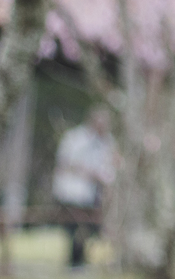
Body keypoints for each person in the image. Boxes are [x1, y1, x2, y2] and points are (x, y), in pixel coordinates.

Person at [52, 108, 115, 268]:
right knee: (77, 228)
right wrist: (89, 173)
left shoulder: (106, 141)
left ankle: (82, 260)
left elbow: (110, 165)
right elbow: (65, 164)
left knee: (89, 229)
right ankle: (75, 262)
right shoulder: (74, 138)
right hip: (73, 193)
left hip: (94, 195)